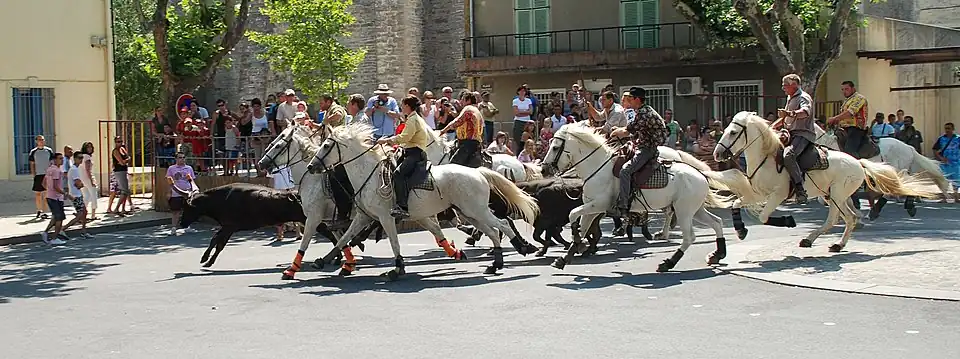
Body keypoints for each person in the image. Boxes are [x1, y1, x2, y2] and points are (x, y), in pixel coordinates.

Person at [610, 87, 668, 216]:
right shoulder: (642, 110)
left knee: (625, 171)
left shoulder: (643, 113)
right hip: (642, 144)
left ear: (637, 99)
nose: (628, 101)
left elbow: (626, 131)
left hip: (647, 149)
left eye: (630, 98)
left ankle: (623, 205)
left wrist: (614, 132)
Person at [377, 95, 430, 219]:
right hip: (413, 151)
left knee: (398, 174)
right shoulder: (416, 118)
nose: (401, 107)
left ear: (407, 106)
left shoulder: (412, 120)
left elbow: (404, 137)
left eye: (402, 105)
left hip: (414, 153)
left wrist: (386, 141)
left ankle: (403, 207)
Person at [771, 74, 815, 204]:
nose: (783, 88)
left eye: (785, 85)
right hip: (791, 133)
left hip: (803, 134)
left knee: (789, 155)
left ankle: (800, 189)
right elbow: (784, 118)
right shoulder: (790, 98)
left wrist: (790, 113)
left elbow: (805, 112)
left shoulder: (804, 97)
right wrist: (771, 127)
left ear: (794, 84)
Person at [439, 92, 484, 167]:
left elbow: (457, 121)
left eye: (463, 99)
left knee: (452, 167)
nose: (460, 102)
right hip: (475, 144)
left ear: (468, 100)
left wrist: (443, 131)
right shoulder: (476, 110)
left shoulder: (468, 108)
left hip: (467, 145)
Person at [828, 80, 869, 157]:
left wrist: (835, 118)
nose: (844, 92)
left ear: (853, 89)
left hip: (856, 129)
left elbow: (850, 113)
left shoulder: (859, 98)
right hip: (844, 130)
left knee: (849, 152)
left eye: (846, 89)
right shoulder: (847, 101)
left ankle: (858, 166)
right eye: (842, 90)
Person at [39, 153, 72, 245]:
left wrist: (49, 190)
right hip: (56, 198)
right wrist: (66, 194)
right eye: (60, 158)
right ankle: (54, 238)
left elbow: (43, 183)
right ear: (54, 160)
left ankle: (45, 232)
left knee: (55, 217)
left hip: (50, 196)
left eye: (62, 158)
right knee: (59, 219)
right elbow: (56, 187)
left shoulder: (49, 169)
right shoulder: (57, 171)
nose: (62, 160)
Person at [63, 151, 93, 239]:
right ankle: (63, 229)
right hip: (75, 195)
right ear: (75, 158)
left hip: (77, 194)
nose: (81, 160)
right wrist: (81, 184)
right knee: (80, 214)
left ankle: (83, 231)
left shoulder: (75, 169)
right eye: (79, 158)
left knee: (84, 212)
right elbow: (78, 184)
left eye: (82, 158)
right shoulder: (74, 170)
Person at [166, 152, 195, 236]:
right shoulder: (171, 168)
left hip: (187, 192)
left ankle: (187, 226)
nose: (182, 159)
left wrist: (193, 190)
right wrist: (169, 192)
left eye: (183, 157)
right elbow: (169, 181)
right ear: (176, 159)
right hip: (176, 192)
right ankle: (174, 228)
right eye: (180, 157)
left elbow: (192, 180)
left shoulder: (189, 168)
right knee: (175, 211)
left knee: (188, 210)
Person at [29, 135, 54, 219]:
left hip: (47, 175)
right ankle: (39, 210)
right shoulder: (33, 151)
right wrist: (34, 174)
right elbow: (32, 164)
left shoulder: (49, 150)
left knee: (46, 194)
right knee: (38, 194)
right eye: (39, 140)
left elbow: (51, 162)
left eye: (42, 140)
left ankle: (45, 211)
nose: (41, 141)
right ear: (36, 141)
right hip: (38, 175)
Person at [934, 122, 960, 203]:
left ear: (953, 129)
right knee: (944, 180)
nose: (947, 130)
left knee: (956, 180)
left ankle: (956, 197)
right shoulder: (941, 139)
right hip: (945, 164)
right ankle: (944, 197)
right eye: (946, 128)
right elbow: (935, 149)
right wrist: (940, 158)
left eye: (949, 128)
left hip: (956, 163)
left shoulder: (958, 139)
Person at [111, 136, 133, 214]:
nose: (119, 143)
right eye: (118, 142)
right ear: (115, 142)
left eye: (121, 141)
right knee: (124, 191)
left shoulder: (122, 149)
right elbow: (121, 162)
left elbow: (126, 158)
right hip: (119, 171)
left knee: (126, 191)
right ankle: (116, 208)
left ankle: (123, 208)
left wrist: (126, 159)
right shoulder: (115, 151)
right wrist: (127, 159)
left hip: (124, 170)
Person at [512, 85, 535, 153]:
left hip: (527, 122)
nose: (522, 92)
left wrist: (521, 112)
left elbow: (531, 112)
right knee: (518, 140)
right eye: (521, 91)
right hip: (518, 122)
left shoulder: (528, 100)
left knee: (527, 139)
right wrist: (526, 112)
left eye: (524, 91)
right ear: (518, 92)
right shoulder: (515, 101)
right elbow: (516, 113)